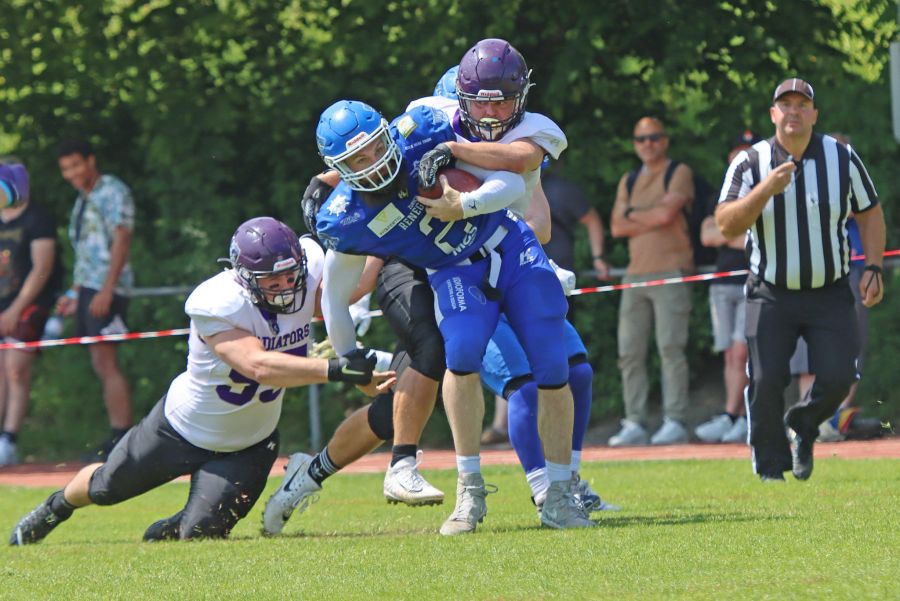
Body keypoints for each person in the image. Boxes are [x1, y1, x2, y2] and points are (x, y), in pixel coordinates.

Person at [8, 217, 392, 545]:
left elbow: (347, 292)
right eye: (271, 281)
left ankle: (176, 525)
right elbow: (257, 365)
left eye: (290, 275)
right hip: (181, 429)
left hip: (250, 443)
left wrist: (382, 242)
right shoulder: (216, 302)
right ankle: (56, 507)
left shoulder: (305, 275)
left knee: (200, 535)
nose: (286, 287)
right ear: (243, 277)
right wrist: (334, 369)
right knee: (107, 487)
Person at [314, 98, 590, 533]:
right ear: (337, 166)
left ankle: (559, 495)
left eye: (371, 149)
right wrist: (348, 355)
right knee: (460, 353)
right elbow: (335, 295)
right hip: (453, 270)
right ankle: (470, 490)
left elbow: (512, 186)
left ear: (387, 134)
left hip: (509, 246)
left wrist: (465, 205)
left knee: (553, 363)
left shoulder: (422, 135)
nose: (369, 164)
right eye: (355, 160)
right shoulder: (345, 217)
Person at [412, 48, 611, 512]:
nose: (490, 113)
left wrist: (473, 194)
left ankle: (567, 483)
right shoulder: (428, 123)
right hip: (462, 275)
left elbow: (537, 220)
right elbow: (374, 160)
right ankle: (534, 486)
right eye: (478, 103)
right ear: (455, 103)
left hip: (515, 267)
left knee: (573, 370)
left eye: (500, 101)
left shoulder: (531, 133)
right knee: (517, 380)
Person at [715, 78, 885, 482]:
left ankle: (805, 423)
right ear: (773, 114)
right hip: (770, 291)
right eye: (785, 105)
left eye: (802, 104)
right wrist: (764, 190)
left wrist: (874, 266)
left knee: (841, 376)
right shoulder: (750, 162)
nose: (793, 111)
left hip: (830, 290)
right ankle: (772, 466)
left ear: (814, 114)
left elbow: (870, 212)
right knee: (768, 378)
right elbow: (726, 224)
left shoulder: (841, 158)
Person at [608, 117, 695, 446]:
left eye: (654, 137)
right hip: (635, 274)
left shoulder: (678, 172)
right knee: (629, 351)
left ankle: (675, 419)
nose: (647, 144)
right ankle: (635, 422)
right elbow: (616, 227)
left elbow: (665, 216)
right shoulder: (628, 179)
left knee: (671, 348)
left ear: (665, 141)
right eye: (641, 139)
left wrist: (632, 215)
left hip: (671, 269)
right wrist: (645, 217)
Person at [55, 139, 134, 461]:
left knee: (106, 361)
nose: (71, 173)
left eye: (75, 165)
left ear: (90, 160)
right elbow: (88, 252)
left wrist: (107, 289)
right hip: (88, 288)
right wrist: (75, 293)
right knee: (99, 363)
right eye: (65, 169)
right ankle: (118, 434)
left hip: (107, 289)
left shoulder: (111, 190)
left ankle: (123, 437)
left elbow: (122, 237)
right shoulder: (83, 198)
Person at [693, 131, 760, 444]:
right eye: (737, 152)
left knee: (743, 351)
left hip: (753, 281)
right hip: (723, 282)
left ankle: (743, 415)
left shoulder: (764, 191)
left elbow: (759, 242)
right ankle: (731, 414)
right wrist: (738, 234)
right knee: (730, 355)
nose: (741, 158)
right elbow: (707, 234)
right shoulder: (721, 193)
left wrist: (729, 233)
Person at [0, 161, 64, 465]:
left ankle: (8, 440)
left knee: (16, 367)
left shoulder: (37, 218)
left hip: (29, 305)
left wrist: (15, 309)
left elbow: (42, 268)